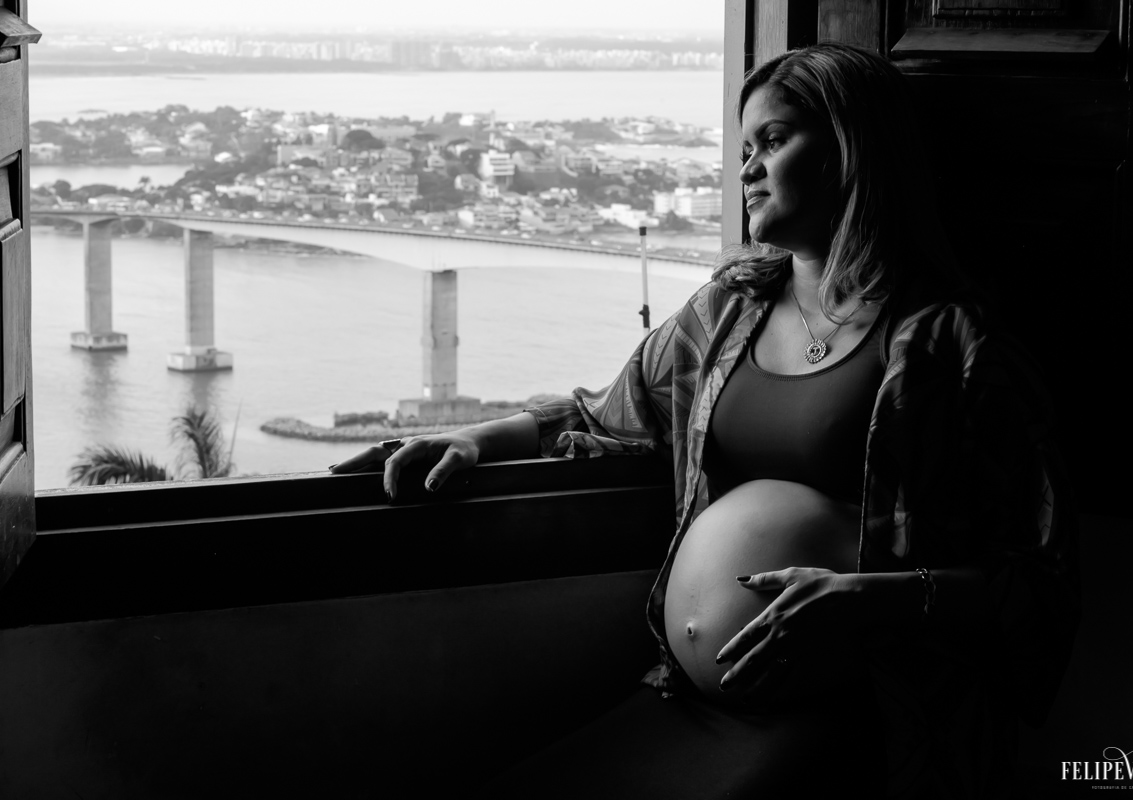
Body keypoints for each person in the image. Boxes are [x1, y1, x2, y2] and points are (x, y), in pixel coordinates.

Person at [331, 42, 1081, 800]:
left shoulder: (952, 348)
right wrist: (473, 439)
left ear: (851, 150)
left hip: (862, 715)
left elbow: (1038, 578)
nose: (748, 169)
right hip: (686, 696)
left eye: (774, 140)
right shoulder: (725, 312)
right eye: (744, 148)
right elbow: (604, 412)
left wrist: (866, 598)